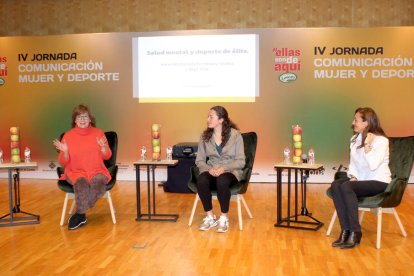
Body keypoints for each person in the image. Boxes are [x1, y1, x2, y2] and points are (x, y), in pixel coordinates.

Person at [330, 107, 391, 249]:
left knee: (346, 186)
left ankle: (355, 232)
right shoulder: (354, 139)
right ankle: (345, 230)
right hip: (362, 180)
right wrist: (354, 176)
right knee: (336, 185)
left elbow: (374, 165)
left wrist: (368, 145)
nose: (353, 123)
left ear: (366, 123)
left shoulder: (381, 141)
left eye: (356, 120)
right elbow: (354, 164)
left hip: (379, 181)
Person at [53, 104, 112, 230]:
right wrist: (65, 152)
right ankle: (81, 214)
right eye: (79, 117)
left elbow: (107, 156)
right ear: (75, 120)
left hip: (96, 170)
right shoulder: (68, 136)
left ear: (90, 119)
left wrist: (103, 148)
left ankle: (80, 213)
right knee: (81, 184)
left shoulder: (99, 133)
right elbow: (63, 163)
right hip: (75, 171)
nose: (82, 120)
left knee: (100, 181)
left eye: (85, 117)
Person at [195, 106, 245, 233]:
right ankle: (210, 217)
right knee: (202, 180)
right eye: (208, 116)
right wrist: (209, 169)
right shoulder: (204, 137)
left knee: (222, 180)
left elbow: (240, 161)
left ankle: (223, 218)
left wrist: (224, 168)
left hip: (230, 171)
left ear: (221, 119)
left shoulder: (236, 136)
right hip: (211, 169)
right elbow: (199, 161)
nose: (208, 119)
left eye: (211, 117)